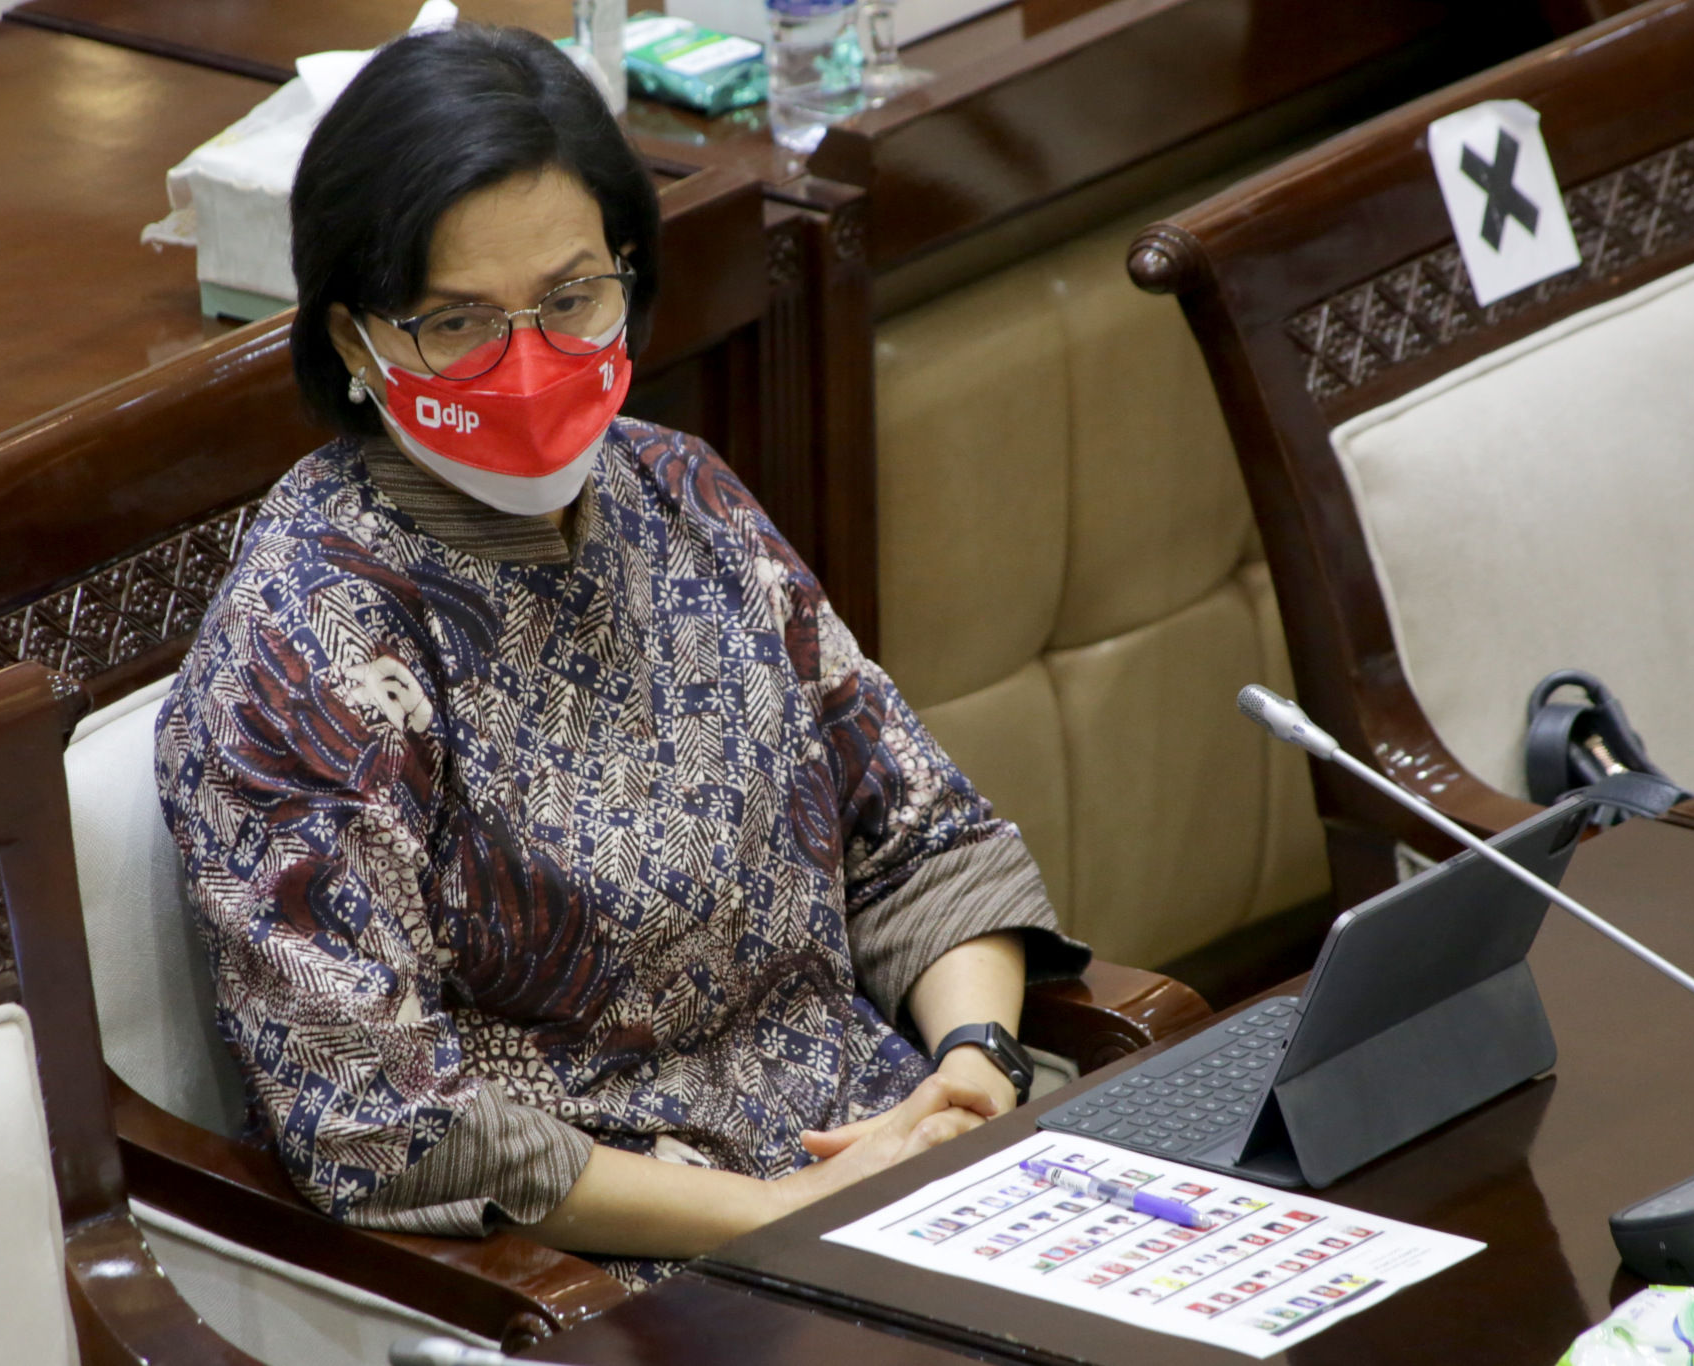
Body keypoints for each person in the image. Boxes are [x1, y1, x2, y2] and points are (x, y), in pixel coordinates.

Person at [155, 22, 1089, 1287]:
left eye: (569, 297)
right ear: (352, 341)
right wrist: (791, 1212)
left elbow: (920, 837)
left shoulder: (677, 485)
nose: (528, 363)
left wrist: (970, 1072)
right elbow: (379, 1119)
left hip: (896, 1152)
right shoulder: (307, 641)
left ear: (628, 277)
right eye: (456, 323)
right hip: (638, 1260)